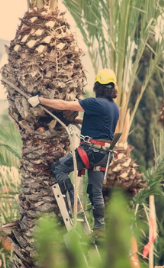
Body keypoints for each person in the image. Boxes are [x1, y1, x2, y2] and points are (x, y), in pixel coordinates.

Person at [28, 69, 119, 239]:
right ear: (113, 87)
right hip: (104, 154)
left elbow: (64, 105)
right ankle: (100, 230)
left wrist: (40, 100)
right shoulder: (114, 107)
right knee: (95, 191)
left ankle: (74, 202)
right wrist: (76, 121)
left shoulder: (96, 102)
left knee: (59, 168)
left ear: (97, 87)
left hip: (90, 150)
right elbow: (100, 124)